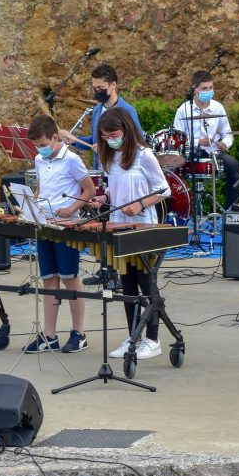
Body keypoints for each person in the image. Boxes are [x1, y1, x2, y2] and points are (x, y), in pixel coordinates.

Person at [93, 107, 170, 361]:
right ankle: (133, 336)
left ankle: (153, 339)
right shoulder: (111, 158)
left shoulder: (144, 155)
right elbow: (116, 189)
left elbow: (164, 189)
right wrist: (103, 197)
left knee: (146, 283)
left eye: (113, 134)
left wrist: (140, 204)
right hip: (118, 225)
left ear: (125, 130)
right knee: (126, 284)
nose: (110, 139)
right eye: (105, 136)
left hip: (142, 225)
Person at [22, 115, 98, 354]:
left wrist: (72, 209)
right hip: (45, 224)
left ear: (55, 138)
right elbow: (42, 187)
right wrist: (32, 204)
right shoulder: (38, 159)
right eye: (37, 146)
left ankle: (79, 333)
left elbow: (89, 190)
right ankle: (49, 335)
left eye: (43, 145)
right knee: (49, 279)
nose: (40, 150)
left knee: (70, 277)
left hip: (66, 226)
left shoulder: (72, 160)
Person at [172, 69, 239, 209]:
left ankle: (231, 212)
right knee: (172, 168)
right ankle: (180, 211)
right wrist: (197, 141)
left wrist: (225, 143)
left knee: (234, 165)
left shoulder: (218, 107)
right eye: (204, 88)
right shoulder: (183, 110)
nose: (208, 91)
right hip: (190, 152)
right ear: (195, 89)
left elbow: (228, 133)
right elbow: (177, 137)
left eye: (210, 88)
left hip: (214, 152)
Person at [62, 64, 144, 157]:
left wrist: (106, 148)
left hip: (122, 167)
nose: (97, 91)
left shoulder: (127, 111)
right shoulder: (97, 110)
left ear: (113, 85)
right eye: (95, 88)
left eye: (100, 87)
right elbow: (94, 142)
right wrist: (74, 140)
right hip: (100, 168)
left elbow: (139, 143)